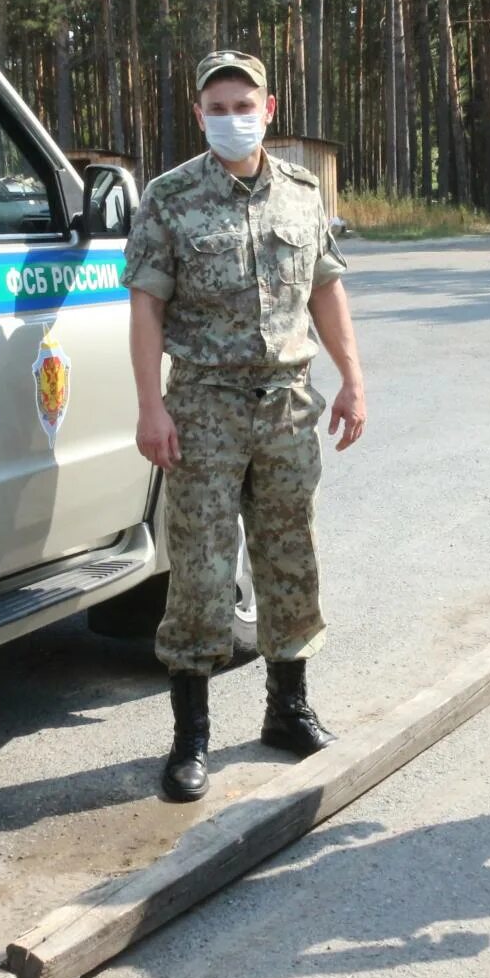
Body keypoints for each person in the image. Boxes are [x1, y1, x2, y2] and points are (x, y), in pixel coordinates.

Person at [123, 48, 366, 803]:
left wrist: (353, 378)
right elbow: (146, 308)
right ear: (199, 115)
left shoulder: (300, 192)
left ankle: (287, 709)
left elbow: (325, 290)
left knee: (289, 555)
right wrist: (150, 405)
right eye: (217, 106)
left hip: (288, 402)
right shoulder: (169, 197)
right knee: (198, 570)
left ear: (270, 107)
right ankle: (190, 736)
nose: (232, 117)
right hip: (204, 405)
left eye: (244, 104)